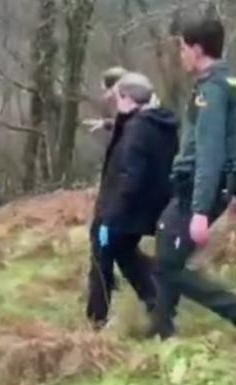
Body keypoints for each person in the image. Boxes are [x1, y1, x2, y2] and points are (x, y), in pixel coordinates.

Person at [148, 16, 236, 339]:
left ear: (197, 50)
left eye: (183, 48)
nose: (181, 55)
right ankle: (162, 327)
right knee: (166, 249)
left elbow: (211, 152)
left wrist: (200, 211)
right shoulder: (227, 84)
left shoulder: (211, 91)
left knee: (168, 265)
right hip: (201, 189)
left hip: (196, 190)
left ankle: (230, 310)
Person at [87, 73, 179, 329]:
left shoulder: (137, 130)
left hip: (122, 208)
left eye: (118, 98)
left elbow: (130, 175)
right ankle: (158, 305)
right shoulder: (158, 122)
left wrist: (110, 218)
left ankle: (97, 319)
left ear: (127, 98)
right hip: (143, 208)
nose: (116, 104)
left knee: (101, 256)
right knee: (126, 255)